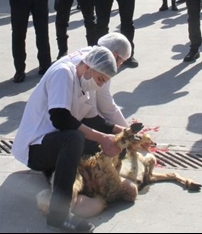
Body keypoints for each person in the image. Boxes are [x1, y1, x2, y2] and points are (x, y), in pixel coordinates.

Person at [12, 46, 121, 233]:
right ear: (88, 67)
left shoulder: (82, 80)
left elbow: (92, 117)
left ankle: (69, 180)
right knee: (74, 138)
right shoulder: (63, 73)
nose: (101, 85)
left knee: (94, 139)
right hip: (35, 147)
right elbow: (60, 118)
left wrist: (122, 132)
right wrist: (102, 137)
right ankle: (58, 215)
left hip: (52, 141)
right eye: (100, 79)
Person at [54, 32, 132, 128]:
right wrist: (127, 131)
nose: (119, 66)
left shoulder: (91, 53)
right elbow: (106, 107)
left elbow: (94, 110)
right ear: (115, 56)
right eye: (121, 62)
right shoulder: (99, 65)